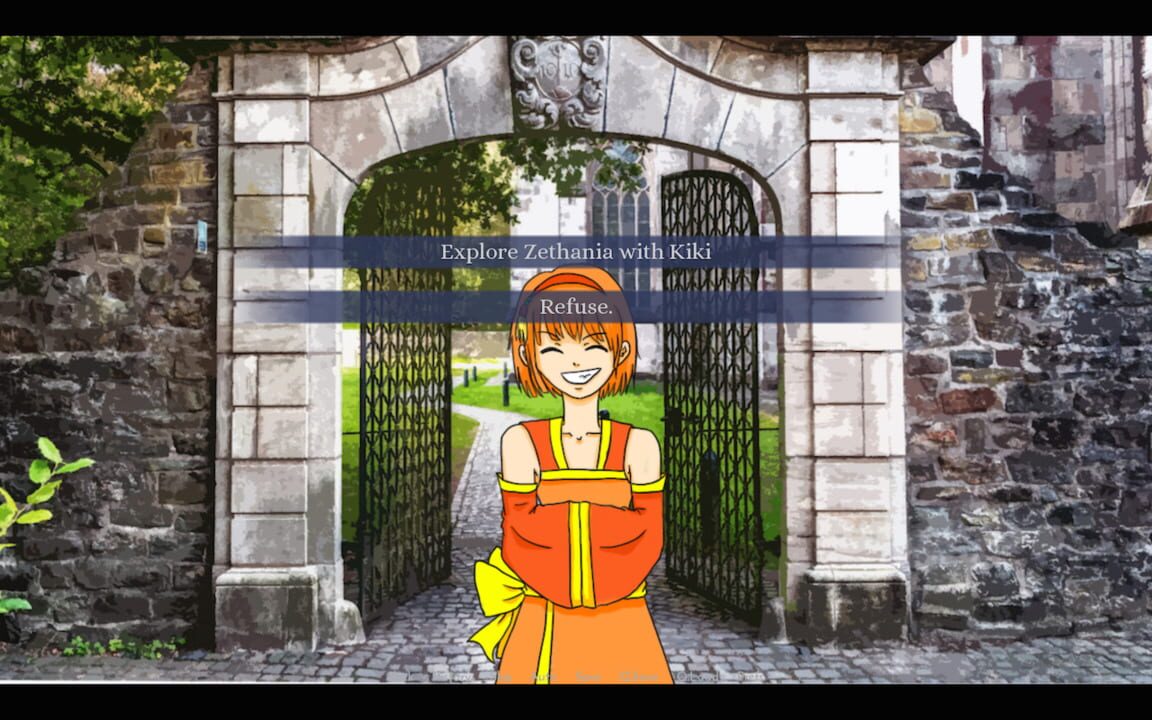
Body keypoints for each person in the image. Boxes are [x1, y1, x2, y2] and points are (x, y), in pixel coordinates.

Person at [468, 266, 673, 685]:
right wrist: (600, 524)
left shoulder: (639, 445)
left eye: (593, 343)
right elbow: (520, 535)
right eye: (554, 347)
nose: (575, 361)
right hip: (542, 620)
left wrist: (563, 519)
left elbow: (647, 538)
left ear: (620, 349)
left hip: (622, 621)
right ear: (530, 355)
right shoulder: (521, 442)